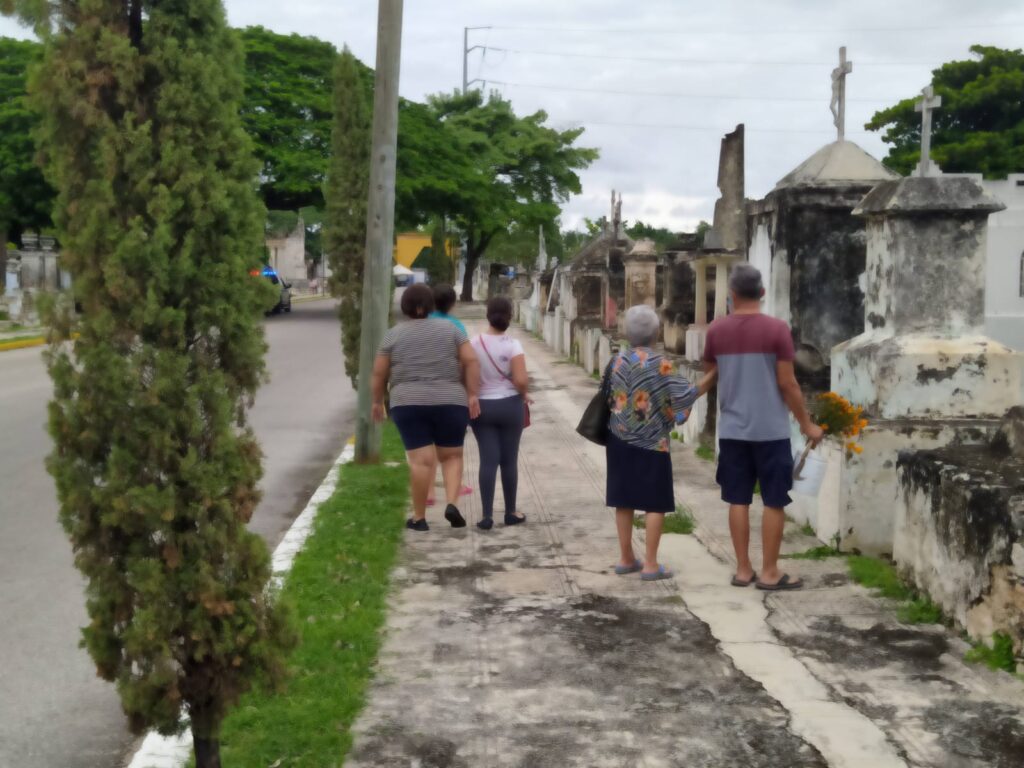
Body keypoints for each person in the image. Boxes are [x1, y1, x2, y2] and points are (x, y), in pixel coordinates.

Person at [702, 264, 824, 591]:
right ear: (762, 292)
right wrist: (807, 424)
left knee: (737, 499)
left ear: (731, 294)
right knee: (774, 501)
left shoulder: (716, 331)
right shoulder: (777, 330)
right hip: (771, 430)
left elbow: (712, 372)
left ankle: (743, 570)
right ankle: (770, 572)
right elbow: (788, 384)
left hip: (732, 430)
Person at [607, 305, 714, 581]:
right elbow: (685, 395)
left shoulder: (616, 361)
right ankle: (651, 565)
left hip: (618, 438)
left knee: (623, 499)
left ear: (627, 333)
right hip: (652, 442)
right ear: (656, 334)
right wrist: (713, 375)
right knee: (655, 502)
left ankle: (624, 557)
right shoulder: (661, 364)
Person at [371, 284, 481, 531]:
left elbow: (379, 373)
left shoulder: (393, 335)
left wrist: (377, 402)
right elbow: (471, 360)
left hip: (408, 402)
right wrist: (472, 394)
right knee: (452, 456)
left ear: (405, 307)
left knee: (421, 461)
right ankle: (452, 504)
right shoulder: (452, 329)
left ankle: (419, 518)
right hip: (450, 401)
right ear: (430, 305)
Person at [470, 297, 529, 531]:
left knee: (488, 460)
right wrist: (524, 393)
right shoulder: (513, 345)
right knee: (509, 460)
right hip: (510, 406)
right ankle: (510, 511)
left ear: (488, 315)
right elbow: (521, 380)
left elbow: (466, 376)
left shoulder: (474, 343)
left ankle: (486, 515)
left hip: (482, 407)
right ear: (510, 316)